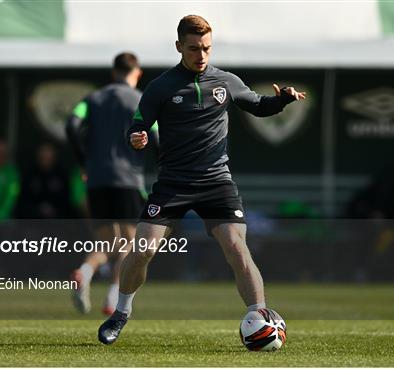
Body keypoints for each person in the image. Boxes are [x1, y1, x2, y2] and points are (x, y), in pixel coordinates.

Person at [98, 15, 306, 344]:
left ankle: (260, 317)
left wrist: (281, 100)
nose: (201, 55)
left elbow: (258, 105)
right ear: (179, 46)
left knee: (237, 248)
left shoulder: (226, 81)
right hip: (173, 184)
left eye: (207, 48)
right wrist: (137, 136)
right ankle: (121, 312)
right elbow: (137, 125)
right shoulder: (161, 87)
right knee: (143, 250)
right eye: (194, 48)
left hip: (216, 182)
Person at [66, 52, 157, 315]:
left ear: (113, 73)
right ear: (137, 72)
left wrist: (84, 161)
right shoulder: (142, 100)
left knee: (106, 241)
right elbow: (157, 136)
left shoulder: (93, 99)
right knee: (129, 243)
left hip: (97, 180)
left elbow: (72, 125)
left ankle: (85, 271)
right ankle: (113, 297)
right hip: (128, 179)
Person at [17, 143, 72, 219]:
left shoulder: (62, 175)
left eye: (48, 153)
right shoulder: (29, 174)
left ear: (54, 156)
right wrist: (37, 210)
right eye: (43, 153)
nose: (45, 156)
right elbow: (23, 200)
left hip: (57, 220)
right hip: (33, 221)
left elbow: (67, 201)